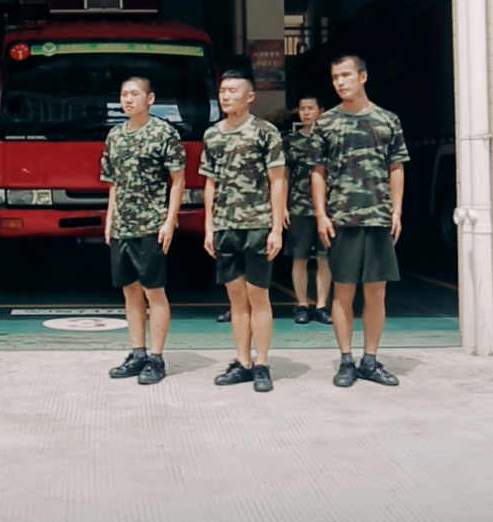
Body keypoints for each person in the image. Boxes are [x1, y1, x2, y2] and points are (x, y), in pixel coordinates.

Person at [310, 55, 407, 388]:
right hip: (342, 219)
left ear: (363, 76)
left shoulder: (387, 120)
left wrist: (396, 210)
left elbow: (397, 166)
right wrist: (321, 214)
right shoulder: (326, 123)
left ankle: (371, 359)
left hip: (378, 217)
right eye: (335, 76)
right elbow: (317, 172)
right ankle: (346, 360)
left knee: (377, 292)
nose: (340, 82)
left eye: (346, 75)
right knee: (343, 291)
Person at [201, 69, 287, 392]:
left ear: (250, 96)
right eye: (222, 90)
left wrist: (276, 227)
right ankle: (242, 361)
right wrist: (209, 226)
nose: (226, 96)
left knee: (258, 297)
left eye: (233, 91)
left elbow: (277, 181)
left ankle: (262, 363)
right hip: (225, 226)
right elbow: (209, 182)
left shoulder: (266, 132)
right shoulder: (213, 135)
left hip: (257, 226)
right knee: (236, 300)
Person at [101, 77, 187, 385]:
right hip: (123, 225)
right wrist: (110, 218)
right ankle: (137, 353)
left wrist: (169, 220)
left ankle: (156, 357)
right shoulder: (114, 136)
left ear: (149, 98)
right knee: (129, 291)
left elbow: (177, 180)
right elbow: (113, 181)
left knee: (154, 291)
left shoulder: (164, 132)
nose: (128, 99)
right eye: (124, 94)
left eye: (135, 94)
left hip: (151, 224)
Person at [283, 94, 333, 325]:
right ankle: (302, 305)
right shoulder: (290, 141)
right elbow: (284, 175)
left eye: (310, 108)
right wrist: (283, 206)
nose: (305, 113)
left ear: (320, 111)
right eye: (302, 109)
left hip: (327, 206)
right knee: (299, 257)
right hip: (299, 205)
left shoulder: (330, 137)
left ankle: (322, 305)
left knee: (325, 258)